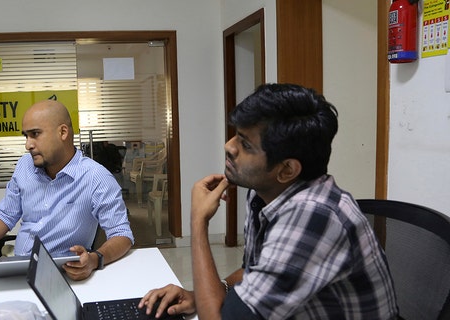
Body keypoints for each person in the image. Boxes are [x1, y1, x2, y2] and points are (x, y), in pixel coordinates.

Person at [139, 84, 398, 319]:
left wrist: (198, 222)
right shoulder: (264, 191)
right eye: (235, 135)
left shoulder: (314, 216)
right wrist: (209, 294)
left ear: (286, 170)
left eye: (246, 144)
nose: (229, 146)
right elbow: (255, 271)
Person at [0, 99, 134, 281]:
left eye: (35, 134)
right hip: (19, 269)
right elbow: (6, 214)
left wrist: (95, 259)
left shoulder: (96, 177)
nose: (28, 145)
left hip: (63, 275)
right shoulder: (25, 165)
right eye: (26, 136)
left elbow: (121, 234)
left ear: (63, 132)